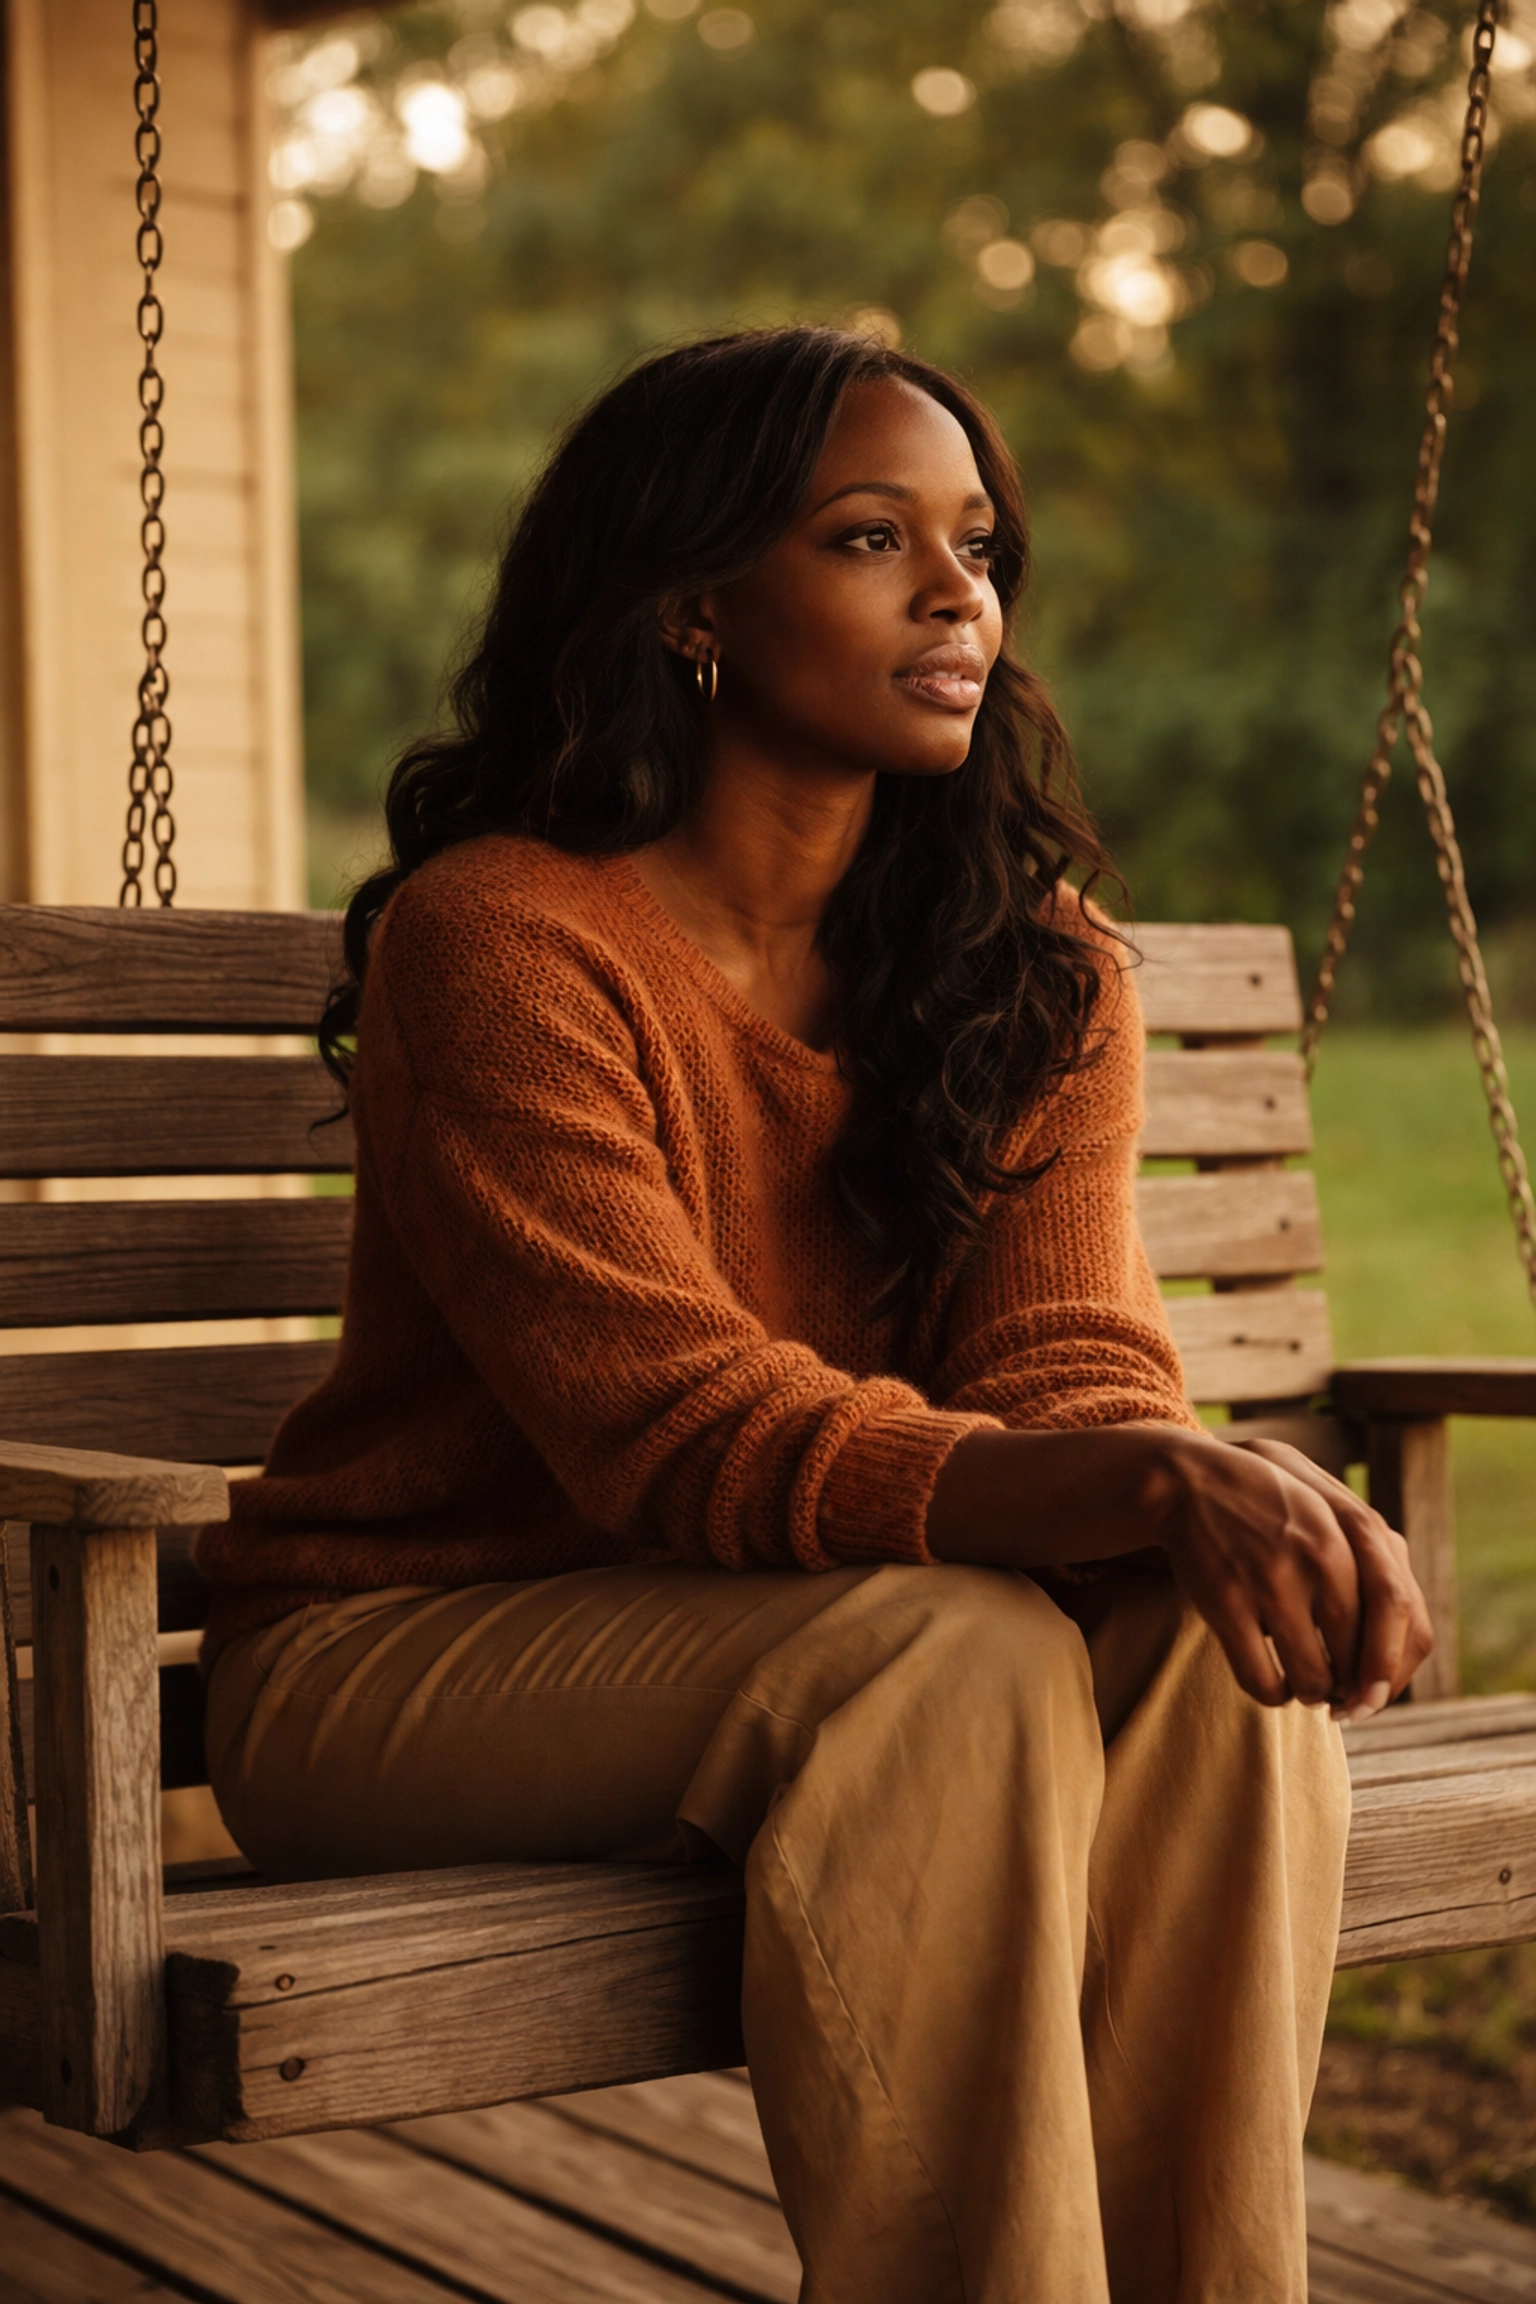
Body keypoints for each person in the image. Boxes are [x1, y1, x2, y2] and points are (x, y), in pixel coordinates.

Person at [199, 326, 1432, 2303]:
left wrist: (1158, 1479)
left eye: (980, 547)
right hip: (400, 1653)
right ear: (691, 606)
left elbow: (1064, 1361)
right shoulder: (504, 940)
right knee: (950, 1652)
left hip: (812, 1643)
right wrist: (1144, 1477)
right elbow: (677, 1426)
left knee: (1199, 1657)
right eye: (874, 539)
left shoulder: (1035, 973)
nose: (960, 597)